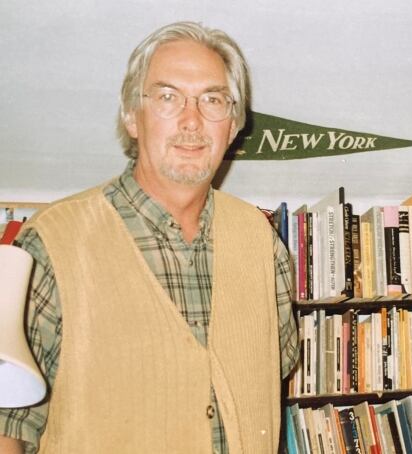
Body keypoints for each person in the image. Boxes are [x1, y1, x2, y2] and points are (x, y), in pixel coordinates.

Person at [0, 21, 299, 453]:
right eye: (167, 97)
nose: (192, 121)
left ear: (232, 125)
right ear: (131, 116)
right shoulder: (50, 243)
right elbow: (9, 422)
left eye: (212, 100)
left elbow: (274, 370)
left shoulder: (263, 242)